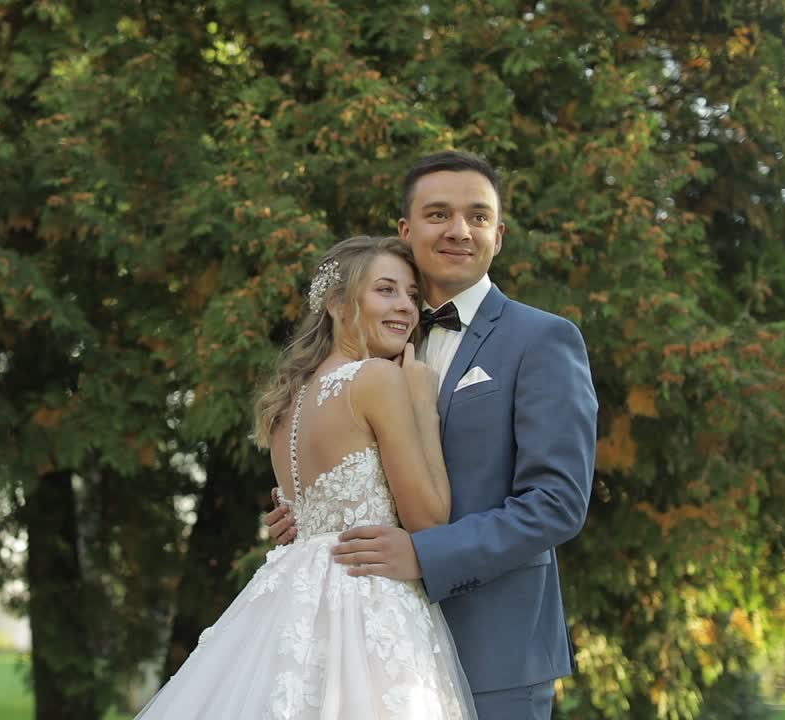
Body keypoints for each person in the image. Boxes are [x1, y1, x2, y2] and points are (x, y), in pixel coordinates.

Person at [265, 151, 599, 719]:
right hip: (365, 647)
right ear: (407, 230)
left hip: (494, 652)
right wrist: (313, 514)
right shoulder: (373, 346)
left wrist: (424, 553)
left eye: (478, 216)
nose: (459, 230)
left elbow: (557, 504)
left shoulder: (543, 339)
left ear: (499, 234)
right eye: (438, 213)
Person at [136, 235, 477, 718]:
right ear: (337, 303)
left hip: (292, 601)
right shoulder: (378, 380)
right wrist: (423, 403)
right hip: (367, 600)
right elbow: (429, 520)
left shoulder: (287, 402)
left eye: (411, 295)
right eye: (385, 290)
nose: (406, 307)